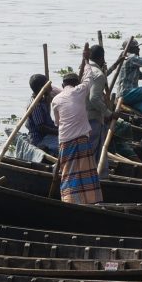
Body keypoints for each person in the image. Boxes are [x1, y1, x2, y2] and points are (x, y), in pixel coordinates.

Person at [51, 71, 102, 205]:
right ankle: (89, 200)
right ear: (76, 84)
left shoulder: (55, 99)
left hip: (65, 141)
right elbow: (89, 78)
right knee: (86, 172)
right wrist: (86, 62)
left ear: (63, 85)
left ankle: (69, 200)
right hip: (80, 140)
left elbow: (57, 122)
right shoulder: (80, 90)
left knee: (68, 173)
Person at [84, 45, 112, 171]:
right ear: (102, 57)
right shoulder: (98, 74)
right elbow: (94, 98)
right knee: (94, 152)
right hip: (93, 118)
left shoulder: (84, 69)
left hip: (81, 116)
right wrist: (108, 113)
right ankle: (94, 177)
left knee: (85, 151)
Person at [26, 74, 60, 155]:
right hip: (39, 139)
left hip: (47, 136)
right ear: (42, 88)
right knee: (65, 147)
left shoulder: (43, 99)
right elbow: (41, 128)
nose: (51, 88)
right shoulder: (35, 105)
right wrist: (59, 132)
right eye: (49, 86)